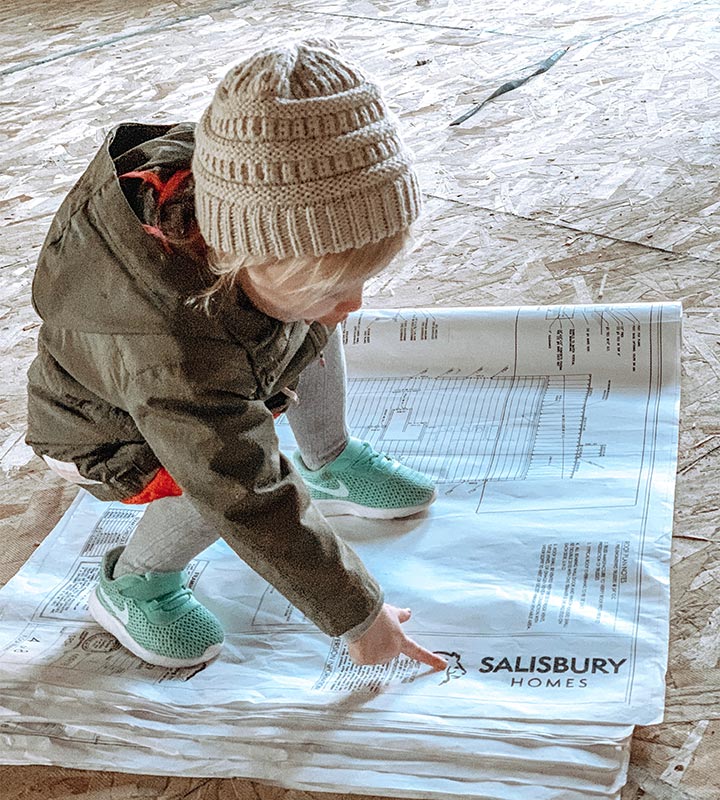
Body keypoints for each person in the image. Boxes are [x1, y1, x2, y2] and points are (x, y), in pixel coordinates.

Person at [25, 38, 447, 675]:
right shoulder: (174, 351)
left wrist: (315, 298)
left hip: (217, 367)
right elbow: (241, 489)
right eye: (337, 285)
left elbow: (309, 284)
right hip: (109, 434)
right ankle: (132, 582)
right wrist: (356, 612)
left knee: (310, 324)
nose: (354, 304)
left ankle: (327, 457)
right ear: (239, 256)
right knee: (208, 484)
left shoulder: (234, 191)